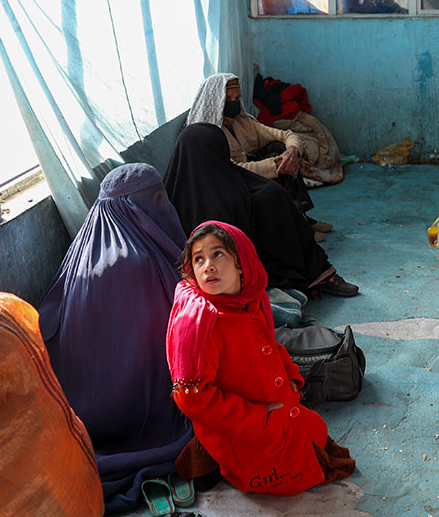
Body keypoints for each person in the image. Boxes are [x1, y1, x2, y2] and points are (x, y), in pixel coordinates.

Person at [38, 163, 193, 513]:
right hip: (138, 414)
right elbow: (169, 349)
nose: (165, 208)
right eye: (155, 200)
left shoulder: (81, 248)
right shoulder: (136, 264)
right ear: (134, 210)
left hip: (76, 410)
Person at [166, 221, 356, 496]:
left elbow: (269, 345)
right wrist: (259, 417)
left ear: (242, 263)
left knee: (315, 433)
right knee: (290, 480)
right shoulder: (199, 322)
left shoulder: (249, 300)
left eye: (218, 253)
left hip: (272, 405)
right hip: (246, 423)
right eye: (198, 259)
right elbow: (192, 397)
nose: (207, 265)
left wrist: (291, 376)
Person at [163, 123, 358, 297]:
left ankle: (319, 275)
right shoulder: (170, 200)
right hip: (223, 275)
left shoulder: (241, 182)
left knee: (271, 195)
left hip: (244, 264)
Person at [187, 73, 333, 241]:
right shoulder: (207, 136)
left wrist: (292, 152)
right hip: (230, 184)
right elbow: (230, 169)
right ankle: (296, 228)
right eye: (229, 99)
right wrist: (277, 165)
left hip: (252, 173)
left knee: (280, 148)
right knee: (278, 168)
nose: (234, 103)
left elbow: (286, 135)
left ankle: (302, 218)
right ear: (216, 101)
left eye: (237, 98)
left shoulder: (243, 122)